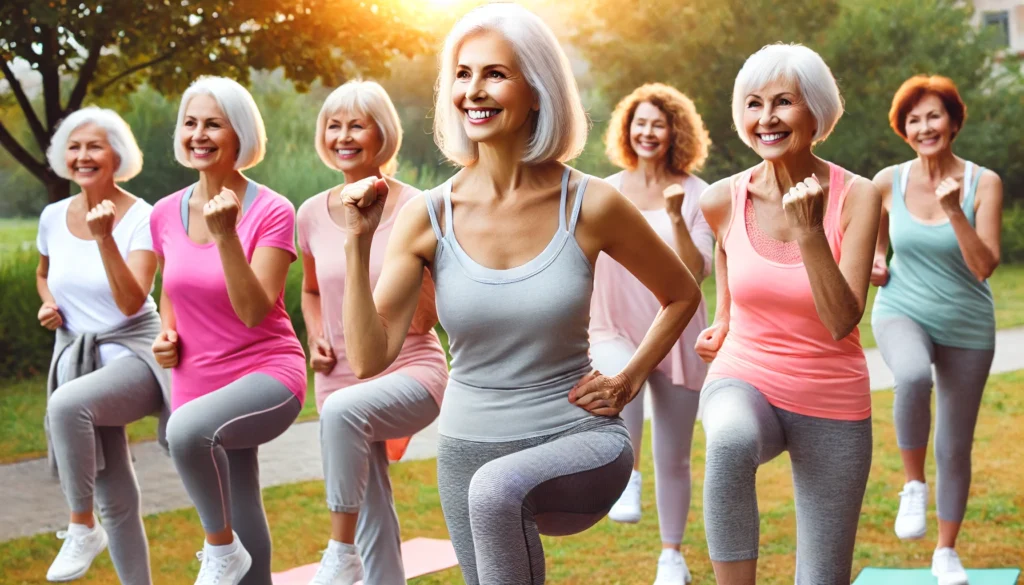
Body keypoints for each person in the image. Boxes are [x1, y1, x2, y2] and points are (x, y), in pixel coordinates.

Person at [338, 4, 701, 583]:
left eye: (495, 74)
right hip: (468, 448)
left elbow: (682, 292)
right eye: (462, 73)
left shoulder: (589, 203)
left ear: (537, 91)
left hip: (578, 438)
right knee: (487, 497)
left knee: (495, 491)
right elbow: (368, 356)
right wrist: (358, 243)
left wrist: (628, 380)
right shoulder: (426, 216)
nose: (473, 90)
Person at [695, 44, 881, 585]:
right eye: (753, 104)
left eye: (783, 102)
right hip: (744, 378)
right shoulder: (721, 199)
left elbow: (842, 319)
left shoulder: (857, 197)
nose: (766, 118)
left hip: (832, 397)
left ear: (816, 111)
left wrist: (808, 232)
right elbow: (727, 262)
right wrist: (723, 320)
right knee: (727, 442)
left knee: (823, 576)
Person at [150, 76, 306, 585]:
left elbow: (252, 312)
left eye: (213, 124)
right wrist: (166, 333)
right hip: (197, 376)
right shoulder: (163, 213)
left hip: (267, 373)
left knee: (185, 432)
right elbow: (171, 285)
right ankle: (236, 560)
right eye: (190, 123)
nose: (199, 134)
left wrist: (225, 237)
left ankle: (218, 549)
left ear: (239, 133)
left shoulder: (271, 210)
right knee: (241, 494)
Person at [297, 80, 449, 585]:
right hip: (339, 372)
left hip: (411, 368)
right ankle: (370, 566)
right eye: (333, 125)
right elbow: (314, 291)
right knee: (371, 503)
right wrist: (317, 333)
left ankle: (339, 553)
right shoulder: (311, 213)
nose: (343, 136)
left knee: (343, 416)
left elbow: (426, 318)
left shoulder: (417, 207)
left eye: (356, 125)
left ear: (382, 133)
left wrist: (365, 240)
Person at [870, 75, 1002, 585]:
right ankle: (913, 486)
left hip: (967, 322)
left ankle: (946, 551)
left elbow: (984, 266)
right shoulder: (888, 182)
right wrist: (877, 264)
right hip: (902, 306)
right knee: (910, 377)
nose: (925, 126)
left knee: (954, 445)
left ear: (953, 121)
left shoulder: (981, 182)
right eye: (913, 119)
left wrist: (952, 210)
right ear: (903, 129)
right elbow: (877, 247)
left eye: (934, 116)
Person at [37, 107, 169, 585]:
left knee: (66, 405)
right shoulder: (53, 216)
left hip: (135, 356)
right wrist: (48, 303)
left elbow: (133, 301)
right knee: (116, 496)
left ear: (117, 154)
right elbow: (43, 273)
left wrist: (104, 237)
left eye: (94, 146)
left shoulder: (141, 216)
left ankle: (78, 525)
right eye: (74, 146)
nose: (83, 155)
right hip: (79, 357)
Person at [592, 82, 714, 584]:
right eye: (639, 122)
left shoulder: (698, 194)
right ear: (627, 129)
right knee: (624, 380)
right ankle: (629, 477)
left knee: (676, 453)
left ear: (674, 133)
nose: (647, 131)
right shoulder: (604, 191)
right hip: (617, 324)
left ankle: (671, 555)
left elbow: (696, 271)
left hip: (679, 333)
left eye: (657, 124)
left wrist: (674, 215)